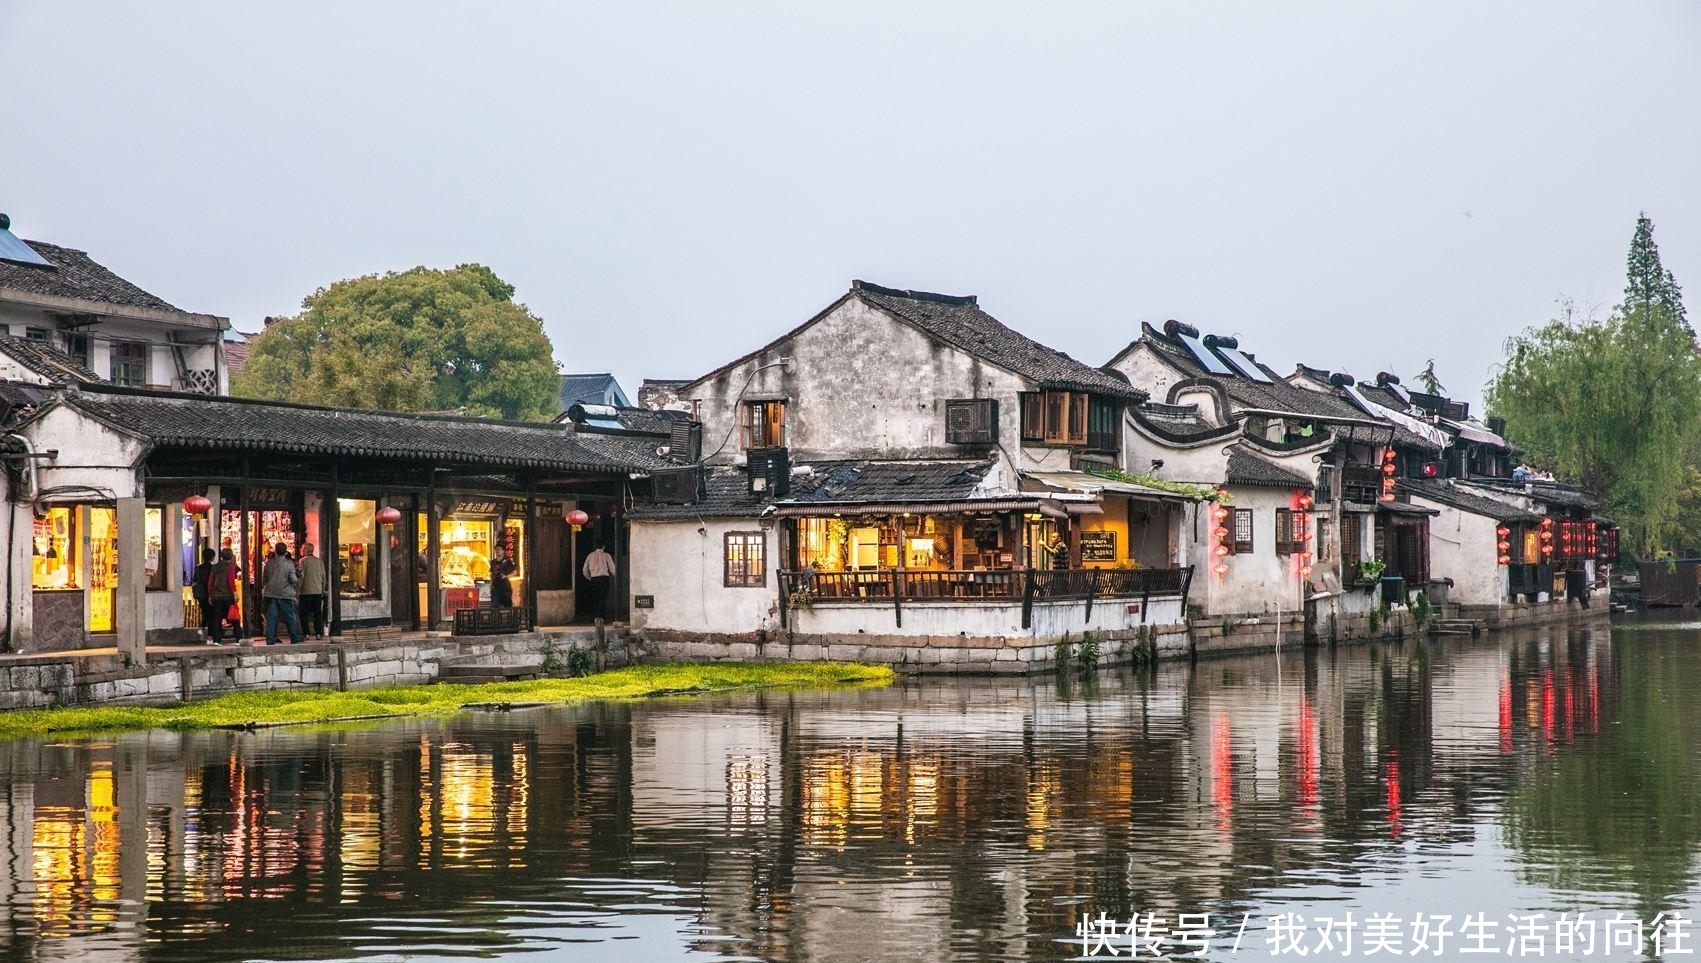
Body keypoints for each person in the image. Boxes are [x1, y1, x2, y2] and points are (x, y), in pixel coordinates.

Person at [261, 542, 303, 645]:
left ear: (275, 550)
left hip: (271, 593)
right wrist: (299, 577)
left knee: (271, 617)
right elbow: (293, 580)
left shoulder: (269, 563)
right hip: (285, 594)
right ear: (285, 551)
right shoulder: (289, 564)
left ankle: (270, 639)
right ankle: (294, 638)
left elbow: (264, 579)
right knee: (290, 617)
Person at [208, 548, 239, 645]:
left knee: (217, 618)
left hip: (216, 595)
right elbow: (230, 581)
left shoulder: (215, 567)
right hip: (227, 595)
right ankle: (238, 638)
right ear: (231, 557)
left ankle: (217, 640)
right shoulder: (231, 567)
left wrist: (210, 594)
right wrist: (235, 593)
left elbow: (210, 582)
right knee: (234, 617)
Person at [297, 542, 327, 640]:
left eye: (302, 548)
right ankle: (318, 633)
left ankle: (306, 633)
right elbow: (324, 577)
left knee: (303, 613)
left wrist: (297, 589)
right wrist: (322, 589)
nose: (301, 550)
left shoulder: (302, 561)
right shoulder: (319, 561)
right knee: (317, 613)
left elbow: (301, 577)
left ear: (306, 550)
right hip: (317, 591)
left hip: (306, 591)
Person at [582, 542, 615, 619]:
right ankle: (600, 617)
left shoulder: (590, 556)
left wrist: (590, 578)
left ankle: (595, 617)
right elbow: (612, 569)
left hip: (594, 579)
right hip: (604, 579)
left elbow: (584, 570)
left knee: (595, 599)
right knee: (603, 598)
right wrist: (616, 577)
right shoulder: (606, 555)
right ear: (603, 546)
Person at [191, 547, 216, 644]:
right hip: (209, 592)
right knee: (211, 614)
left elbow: (195, 580)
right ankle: (209, 637)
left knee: (205, 611)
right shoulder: (212, 568)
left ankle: (201, 629)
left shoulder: (198, 567)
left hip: (200, 593)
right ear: (212, 557)